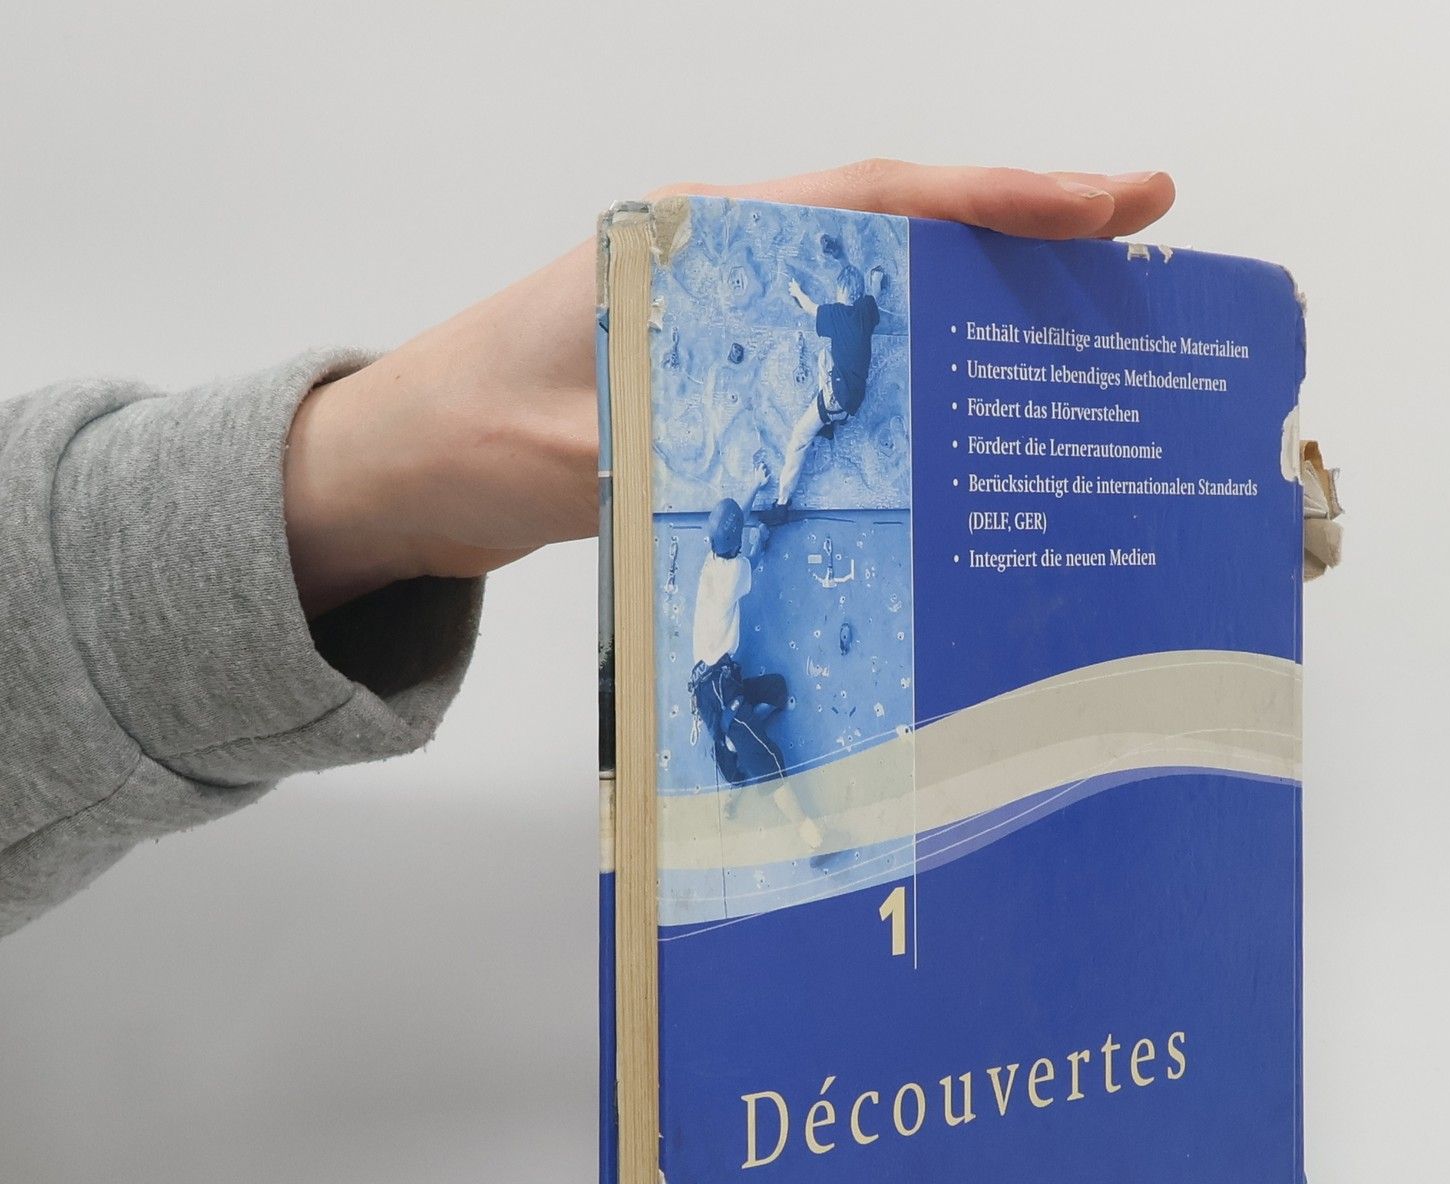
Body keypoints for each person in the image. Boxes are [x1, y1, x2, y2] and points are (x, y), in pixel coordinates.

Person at [0, 162, 1175, 939]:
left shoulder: (729, 589)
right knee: (773, 646)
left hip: (726, 641)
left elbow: (764, 512)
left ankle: (817, 820)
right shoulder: (732, 583)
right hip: (729, 640)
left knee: (773, 634)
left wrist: (366, 469)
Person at [687, 488, 823, 852]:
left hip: (716, 680)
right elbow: (754, 556)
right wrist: (762, 538)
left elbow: (734, 524)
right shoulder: (733, 574)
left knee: (776, 690)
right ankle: (811, 836)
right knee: (768, 757)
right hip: (718, 691)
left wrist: (752, 487)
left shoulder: (710, 563)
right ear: (734, 542)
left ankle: (732, 742)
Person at [772, 252, 888, 512]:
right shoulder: (866, 311)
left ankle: (781, 502)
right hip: (855, 400)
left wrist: (796, 290)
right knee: (826, 356)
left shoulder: (836, 314)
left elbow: (810, 307)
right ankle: (830, 422)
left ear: (841, 291)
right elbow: (875, 294)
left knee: (799, 438)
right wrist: (876, 281)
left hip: (835, 399)